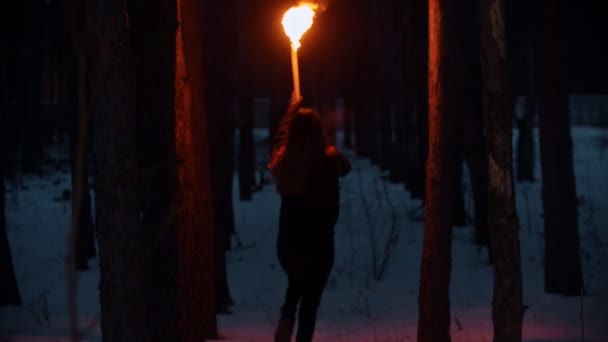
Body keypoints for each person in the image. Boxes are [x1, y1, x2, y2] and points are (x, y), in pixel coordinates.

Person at [268, 96, 351, 342]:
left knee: (298, 285)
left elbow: (278, 141)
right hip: (319, 248)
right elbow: (344, 170)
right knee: (309, 304)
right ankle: (288, 321)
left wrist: (291, 111)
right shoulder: (327, 164)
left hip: (289, 248)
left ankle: (285, 318)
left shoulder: (286, 165)